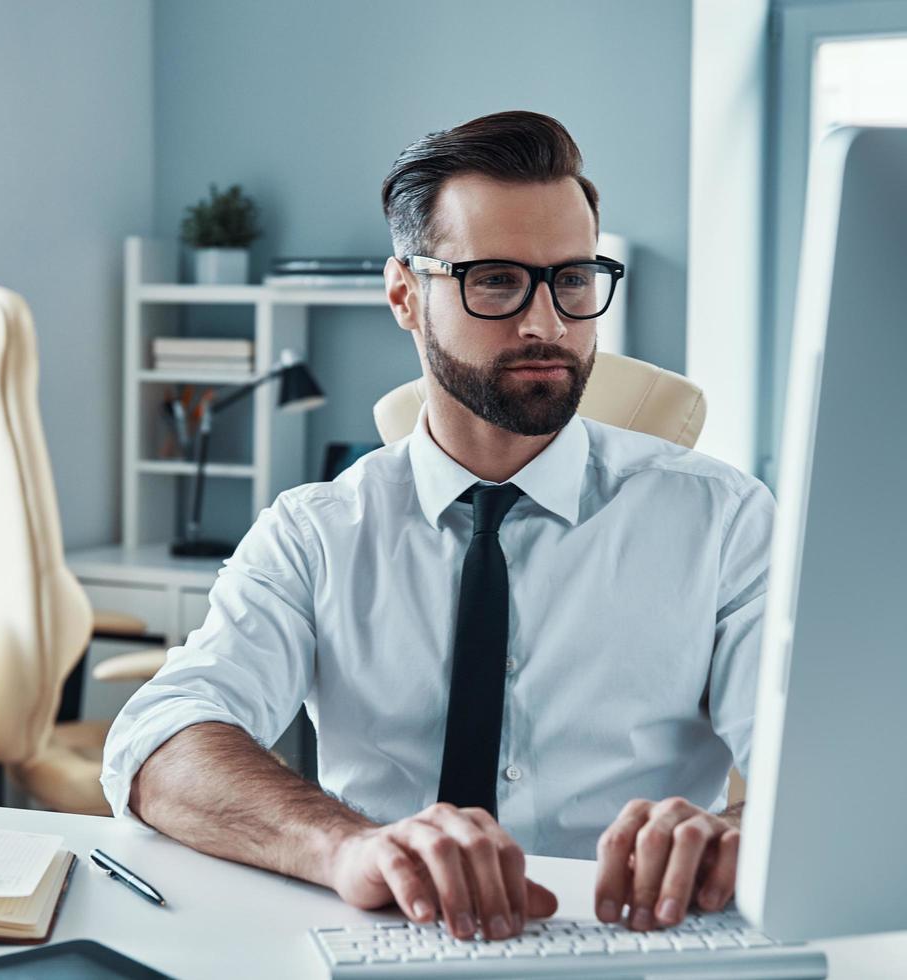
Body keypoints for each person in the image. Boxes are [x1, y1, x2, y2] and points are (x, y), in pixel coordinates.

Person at [101, 110, 774, 943]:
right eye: (495, 279)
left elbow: (820, 762)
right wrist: (350, 848)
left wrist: (744, 833)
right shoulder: (316, 532)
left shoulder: (722, 519)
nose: (547, 324)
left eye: (572, 278)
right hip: (395, 937)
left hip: (639, 940)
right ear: (403, 297)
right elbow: (157, 741)